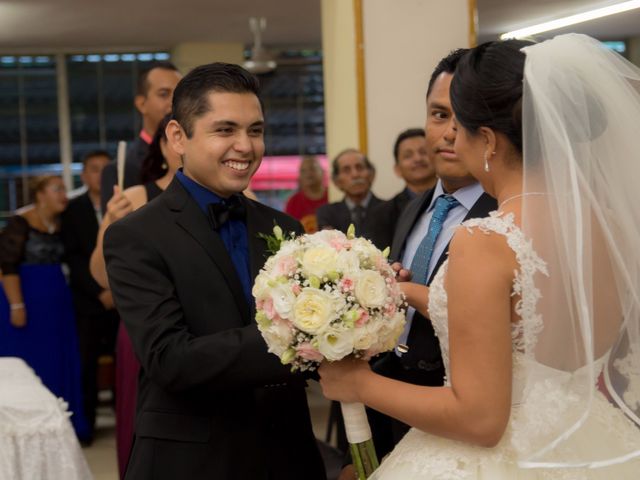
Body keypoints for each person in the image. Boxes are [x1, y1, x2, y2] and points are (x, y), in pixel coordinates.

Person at [319, 34, 640, 478]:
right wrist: (412, 292)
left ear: (487, 140)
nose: (452, 137)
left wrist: (358, 382)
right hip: (590, 441)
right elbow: (528, 320)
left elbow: (480, 420)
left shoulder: (486, 238)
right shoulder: (611, 225)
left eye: (460, 127)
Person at [103, 62, 325, 480]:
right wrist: (295, 337)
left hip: (288, 454)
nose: (245, 146)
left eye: (255, 131)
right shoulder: (134, 236)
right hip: (192, 459)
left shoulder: (285, 228)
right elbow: (170, 359)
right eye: (225, 130)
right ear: (177, 137)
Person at [89, 113, 180, 478]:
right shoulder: (135, 197)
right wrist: (109, 223)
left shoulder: (238, 198)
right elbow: (101, 274)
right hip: (147, 332)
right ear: (163, 145)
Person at [0, 175, 90, 441]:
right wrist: (16, 305)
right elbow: (8, 267)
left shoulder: (63, 223)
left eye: (64, 189)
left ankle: (61, 424)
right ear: (40, 194)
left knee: (59, 358)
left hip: (57, 300)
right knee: (29, 360)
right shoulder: (20, 223)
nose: (64, 194)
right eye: (57, 189)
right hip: (26, 297)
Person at [61, 150, 119, 443]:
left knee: (123, 364)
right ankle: (88, 427)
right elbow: (73, 258)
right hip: (87, 302)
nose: (99, 175)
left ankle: (125, 424)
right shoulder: (72, 210)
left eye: (104, 169)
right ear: (83, 175)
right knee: (87, 364)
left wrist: (116, 291)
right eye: (93, 169)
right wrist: (99, 291)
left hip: (122, 301)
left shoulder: (122, 204)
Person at [100, 62, 181, 213]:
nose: (174, 102)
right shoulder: (121, 168)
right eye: (164, 94)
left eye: (179, 95)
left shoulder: (196, 157)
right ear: (141, 103)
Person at [369, 128, 436, 249]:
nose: (418, 159)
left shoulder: (453, 202)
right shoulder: (382, 214)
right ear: (397, 170)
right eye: (408, 155)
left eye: (424, 152)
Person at [316, 149, 381, 239]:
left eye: (360, 167)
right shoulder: (327, 214)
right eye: (346, 170)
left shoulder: (389, 210)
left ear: (371, 174)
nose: (355, 174)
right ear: (337, 181)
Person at [284, 155, 328, 233]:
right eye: (303, 171)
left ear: (323, 172)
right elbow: (288, 229)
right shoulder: (293, 201)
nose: (308, 173)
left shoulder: (332, 196)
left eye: (312, 168)